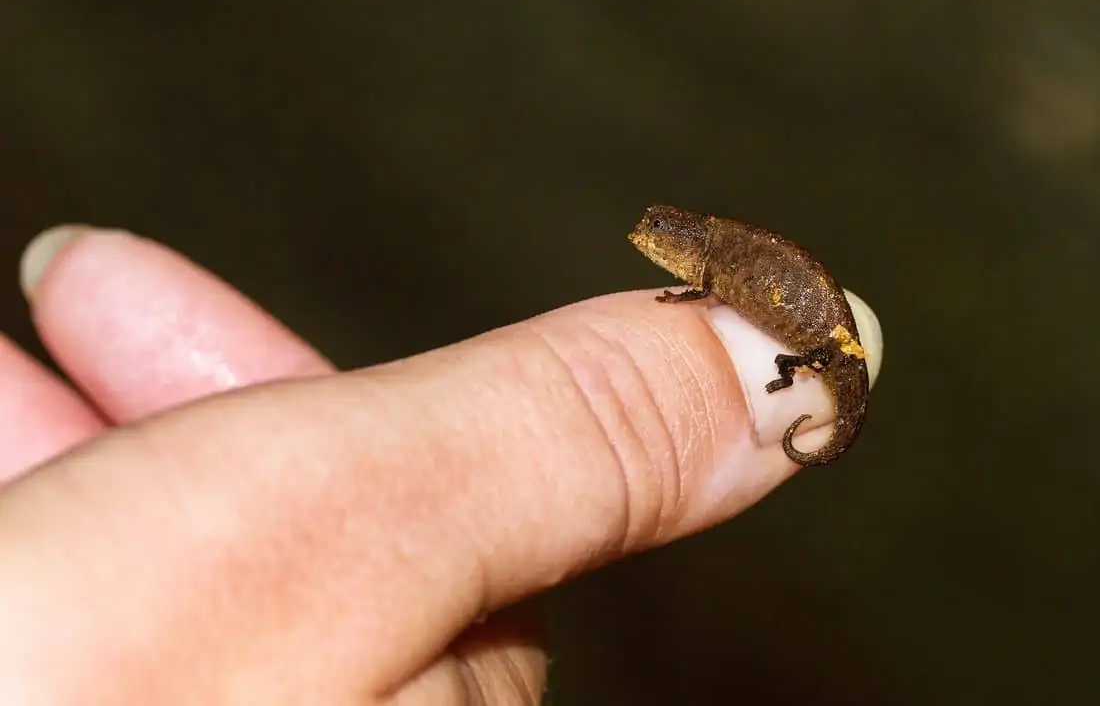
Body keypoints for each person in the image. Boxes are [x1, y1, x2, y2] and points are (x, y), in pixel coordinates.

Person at [0, 225, 881, 703]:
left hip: (816, 337)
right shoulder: (715, 251)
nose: (646, 244)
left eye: (660, 242)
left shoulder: (717, 259)